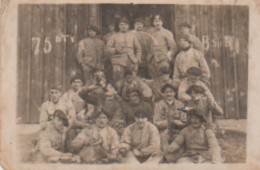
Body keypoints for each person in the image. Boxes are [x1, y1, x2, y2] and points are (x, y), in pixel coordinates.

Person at [106, 18, 142, 84]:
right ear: (119, 26)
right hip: (118, 61)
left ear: (128, 26)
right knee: (118, 81)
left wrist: (137, 59)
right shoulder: (114, 36)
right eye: (121, 25)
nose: (123, 26)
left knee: (132, 80)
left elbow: (138, 49)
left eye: (125, 25)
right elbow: (108, 49)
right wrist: (115, 50)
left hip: (131, 61)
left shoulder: (132, 36)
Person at [149, 15, 177, 80]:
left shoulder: (167, 33)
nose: (157, 23)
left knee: (164, 78)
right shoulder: (151, 33)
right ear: (153, 23)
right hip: (153, 60)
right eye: (155, 21)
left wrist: (168, 56)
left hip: (163, 59)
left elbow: (173, 47)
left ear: (162, 22)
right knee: (154, 79)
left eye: (159, 21)